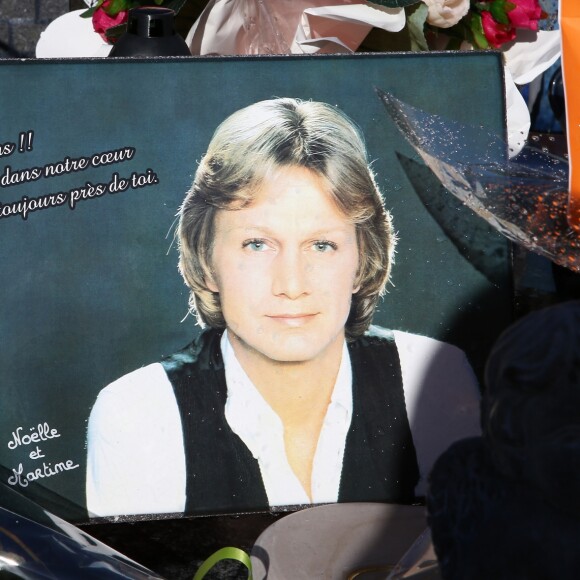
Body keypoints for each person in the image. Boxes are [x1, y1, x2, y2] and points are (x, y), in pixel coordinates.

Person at [86, 98, 480, 518]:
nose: (291, 285)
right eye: (256, 244)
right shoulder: (139, 413)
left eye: (322, 245)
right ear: (206, 260)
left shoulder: (433, 377)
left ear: (363, 260)